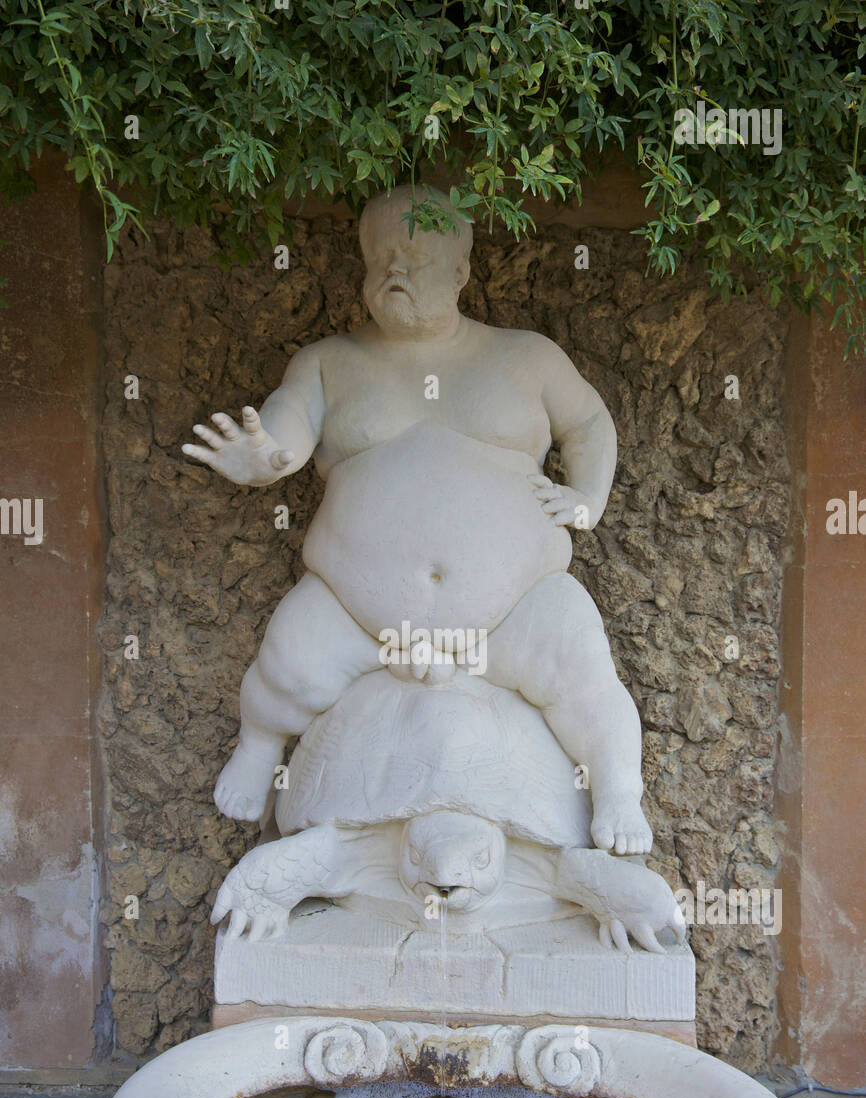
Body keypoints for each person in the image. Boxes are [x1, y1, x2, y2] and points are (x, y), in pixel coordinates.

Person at [183, 186, 651, 855]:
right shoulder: (329, 363)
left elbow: (591, 423)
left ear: (460, 271)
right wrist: (267, 459)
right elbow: (288, 420)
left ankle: (617, 793)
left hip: (517, 610)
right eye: (378, 260)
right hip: (356, 612)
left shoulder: (526, 357)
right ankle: (259, 747)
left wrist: (587, 499)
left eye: (412, 256)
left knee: (581, 665)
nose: (393, 272)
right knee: (288, 660)